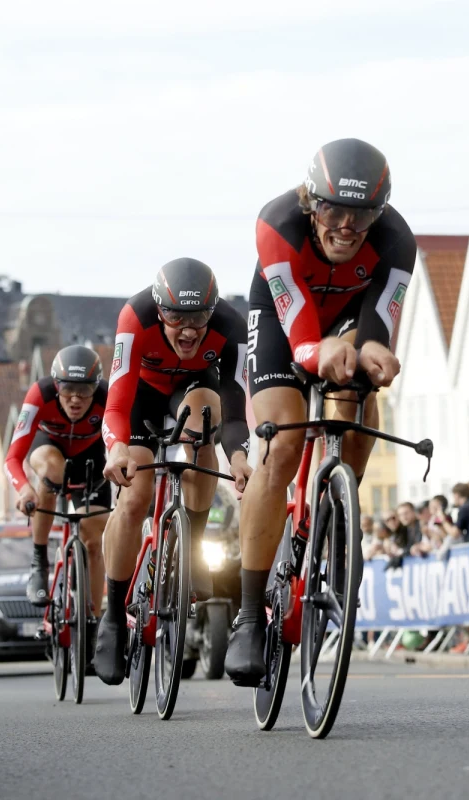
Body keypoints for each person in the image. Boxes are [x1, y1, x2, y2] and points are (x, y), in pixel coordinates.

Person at [226, 138, 417, 686]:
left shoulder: (397, 240)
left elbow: (380, 324)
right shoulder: (277, 223)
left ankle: (333, 512)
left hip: (346, 321)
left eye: (362, 216)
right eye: (334, 211)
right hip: (284, 326)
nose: (347, 227)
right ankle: (247, 616)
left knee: (360, 389)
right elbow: (302, 330)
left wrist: (376, 353)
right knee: (281, 444)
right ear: (312, 203)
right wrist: (318, 353)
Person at [95, 258, 252, 686]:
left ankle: (193, 546)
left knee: (204, 423)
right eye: (176, 318)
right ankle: (112, 615)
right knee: (135, 495)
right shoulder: (136, 315)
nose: (187, 330)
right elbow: (116, 402)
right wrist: (117, 449)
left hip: (193, 387)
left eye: (198, 318)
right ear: (159, 309)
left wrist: (238, 456)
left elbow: (237, 408)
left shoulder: (231, 326)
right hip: (141, 395)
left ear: (212, 311)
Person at [4, 345, 111, 610]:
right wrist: (24, 490)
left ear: (96, 387)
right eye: (67, 390)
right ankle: (39, 562)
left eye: (85, 391)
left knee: (94, 541)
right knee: (52, 470)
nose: (75, 399)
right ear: (56, 385)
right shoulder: (40, 393)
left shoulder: (108, 396)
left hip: (90, 460)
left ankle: (93, 621)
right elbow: (12, 458)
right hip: (48, 449)